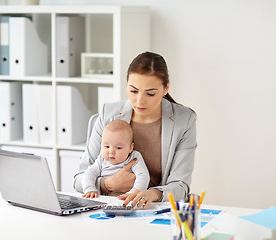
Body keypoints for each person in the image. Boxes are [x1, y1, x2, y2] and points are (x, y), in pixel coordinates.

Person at [74, 51, 197, 209]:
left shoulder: (184, 120)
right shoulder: (108, 114)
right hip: (111, 207)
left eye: (150, 93)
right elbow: (78, 179)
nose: (140, 101)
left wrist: (153, 194)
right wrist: (108, 184)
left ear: (166, 88)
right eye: (133, 91)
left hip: (154, 209)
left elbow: (181, 185)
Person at [82, 120, 150, 198]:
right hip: (105, 199)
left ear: (130, 147)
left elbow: (143, 175)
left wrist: (134, 193)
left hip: (127, 199)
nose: (111, 152)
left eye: (118, 148)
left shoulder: (134, 157)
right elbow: (89, 173)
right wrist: (90, 189)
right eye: (106, 146)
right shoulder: (102, 159)